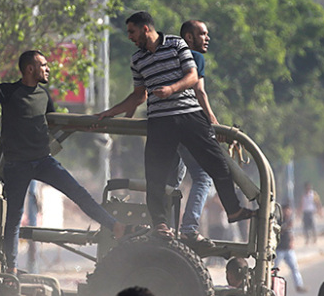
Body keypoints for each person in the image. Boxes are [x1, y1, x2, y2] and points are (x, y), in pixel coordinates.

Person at [97, 12, 255, 238]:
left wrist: (171, 89)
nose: (130, 37)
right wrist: (110, 113)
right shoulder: (137, 60)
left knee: (218, 165)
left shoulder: (176, 43)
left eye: (132, 32)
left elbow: (192, 77)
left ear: (145, 29)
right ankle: (160, 224)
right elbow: (139, 96)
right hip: (160, 122)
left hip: (190, 116)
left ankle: (233, 210)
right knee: (155, 176)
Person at [0, 43, 125, 272]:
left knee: (78, 192)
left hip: (43, 160)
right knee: (14, 219)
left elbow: (54, 121)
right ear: (29, 69)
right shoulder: (9, 92)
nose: (48, 69)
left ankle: (114, 226)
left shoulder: (43, 95)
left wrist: (86, 124)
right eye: (43, 65)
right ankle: (11, 269)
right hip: (17, 164)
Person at [166, 20, 217, 248]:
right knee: (203, 175)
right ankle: (188, 229)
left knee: (173, 180)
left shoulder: (167, 56)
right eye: (202, 34)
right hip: (186, 123)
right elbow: (200, 91)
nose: (207, 38)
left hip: (165, 123)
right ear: (189, 36)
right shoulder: (195, 57)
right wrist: (213, 121)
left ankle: (164, 226)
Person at [273, 204, 305, 292]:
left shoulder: (290, 221)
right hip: (279, 249)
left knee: (294, 268)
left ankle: (299, 285)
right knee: (274, 269)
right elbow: (279, 230)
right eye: (285, 210)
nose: (287, 212)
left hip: (288, 249)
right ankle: (271, 286)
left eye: (288, 210)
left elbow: (291, 234)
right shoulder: (279, 221)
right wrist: (287, 226)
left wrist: (292, 242)